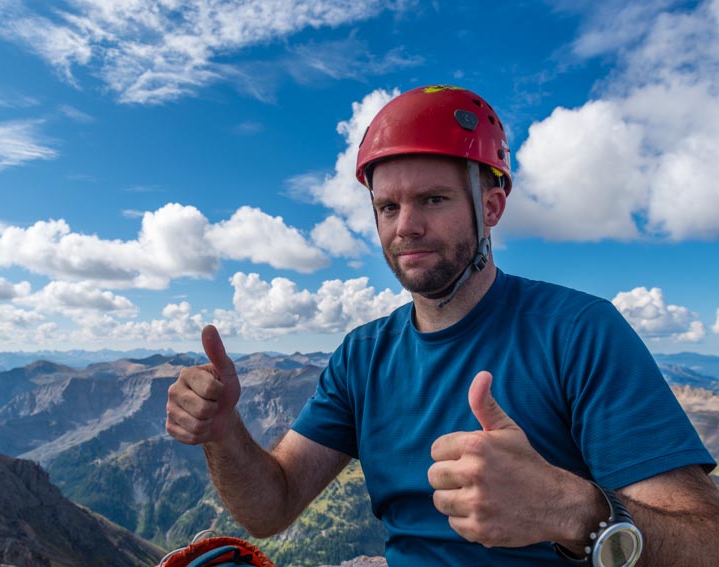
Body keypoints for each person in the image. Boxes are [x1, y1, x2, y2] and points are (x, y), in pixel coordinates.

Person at [165, 85, 719, 566]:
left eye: (433, 199)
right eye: (387, 208)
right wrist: (223, 434)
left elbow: (707, 543)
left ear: (493, 206)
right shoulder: (362, 357)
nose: (406, 227)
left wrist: (572, 511)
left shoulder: (579, 332)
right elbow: (272, 506)